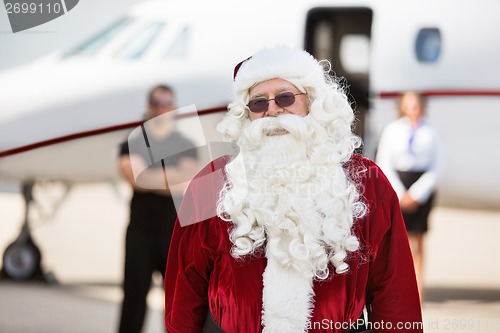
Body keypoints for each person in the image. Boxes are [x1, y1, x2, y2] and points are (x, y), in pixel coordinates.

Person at [164, 45, 423, 333]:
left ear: (312, 104)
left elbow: (394, 290)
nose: (273, 109)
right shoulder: (210, 183)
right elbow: (183, 289)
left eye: (286, 97)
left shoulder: (366, 181)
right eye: (258, 103)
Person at [117, 84, 198, 333]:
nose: (162, 107)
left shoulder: (186, 143)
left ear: (174, 107)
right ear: (148, 106)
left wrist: (150, 176)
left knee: (175, 303)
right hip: (139, 232)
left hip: (173, 234)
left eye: (167, 103)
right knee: (133, 298)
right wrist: (170, 177)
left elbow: (187, 180)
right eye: (157, 102)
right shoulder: (133, 140)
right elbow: (135, 178)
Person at [376, 91, 441, 301]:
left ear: (422, 106)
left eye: (416, 103)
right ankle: (397, 288)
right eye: (408, 103)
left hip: (421, 188)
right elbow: (383, 161)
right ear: (402, 106)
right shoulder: (392, 130)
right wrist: (400, 193)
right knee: (395, 241)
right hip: (399, 185)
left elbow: (438, 165)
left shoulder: (431, 133)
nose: (412, 107)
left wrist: (416, 194)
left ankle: (418, 288)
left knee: (418, 241)